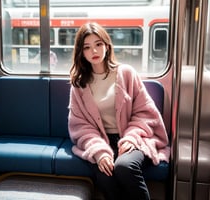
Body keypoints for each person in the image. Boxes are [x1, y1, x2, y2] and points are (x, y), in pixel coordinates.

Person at [68, 22, 170, 200]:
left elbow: (145, 113)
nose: (94, 51)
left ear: (107, 46)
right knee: (105, 176)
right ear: (81, 52)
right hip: (100, 141)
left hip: (133, 137)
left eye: (98, 44)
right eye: (87, 47)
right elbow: (80, 125)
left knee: (124, 166)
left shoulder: (126, 74)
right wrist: (99, 152)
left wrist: (131, 137)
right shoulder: (79, 84)